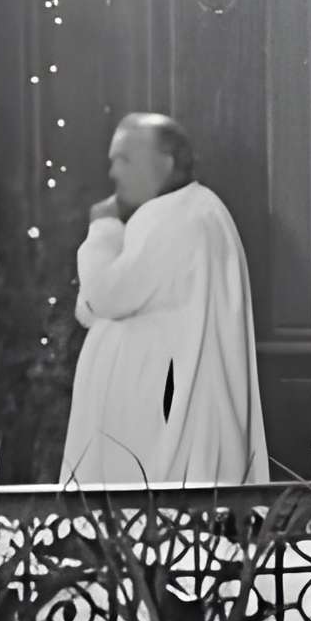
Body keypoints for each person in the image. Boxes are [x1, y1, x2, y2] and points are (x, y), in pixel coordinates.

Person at [61, 113, 267, 486]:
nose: (113, 173)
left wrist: (103, 228)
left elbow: (104, 296)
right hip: (156, 413)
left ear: (167, 162)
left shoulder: (173, 217)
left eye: (124, 159)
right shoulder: (198, 211)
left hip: (157, 420)